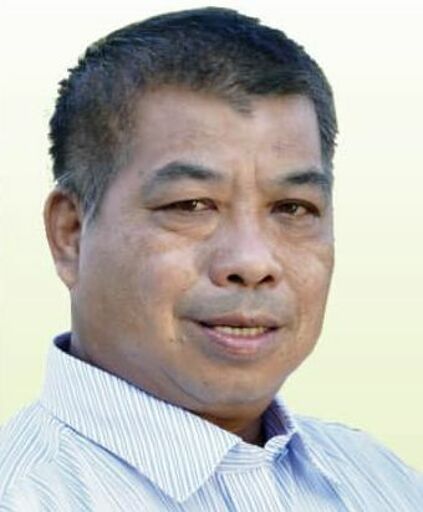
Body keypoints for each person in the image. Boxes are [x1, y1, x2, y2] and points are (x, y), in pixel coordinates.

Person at [0, 7, 421, 511]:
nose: (252, 262)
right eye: (191, 205)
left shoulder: (383, 483)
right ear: (69, 234)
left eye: (292, 208)